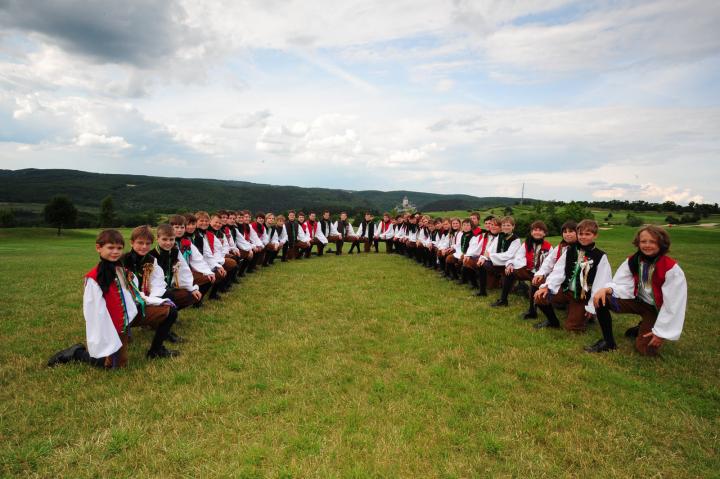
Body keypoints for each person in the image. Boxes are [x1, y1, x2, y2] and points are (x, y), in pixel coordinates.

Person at [47, 229, 179, 368]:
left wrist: (158, 301)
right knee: (114, 365)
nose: (115, 252)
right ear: (98, 248)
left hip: (129, 316)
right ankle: (77, 353)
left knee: (169, 310)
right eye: (110, 248)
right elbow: (93, 311)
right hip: (112, 325)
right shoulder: (94, 278)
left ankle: (156, 350)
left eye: (119, 248)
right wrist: (107, 334)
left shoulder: (121, 270)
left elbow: (134, 295)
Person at [591, 225, 687, 355]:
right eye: (643, 241)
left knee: (646, 351)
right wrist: (607, 289)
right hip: (637, 301)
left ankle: (643, 326)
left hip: (655, 309)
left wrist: (661, 333)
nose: (647, 245)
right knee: (602, 299)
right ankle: (608, 342)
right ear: (638, 243)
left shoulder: (671, 269)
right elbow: (621, 283)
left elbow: (673, 305)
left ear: (661, 243)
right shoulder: (633, 261)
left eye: (652, 241)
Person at [533, 219, 612, 338]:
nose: (583, 237)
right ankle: (553, 321)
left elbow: (601, 282)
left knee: (572, 328)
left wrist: (591, 307)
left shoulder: (600, 256)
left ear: (595, 235)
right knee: (540, 296)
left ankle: (586, 315)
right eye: (580, 234)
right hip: (566, 290)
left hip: (582, 296)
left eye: (587, 234)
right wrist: (547, 287)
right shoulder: (570, 250)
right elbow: (558, 271)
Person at [503, 221, 552, 317]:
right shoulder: (526, 244)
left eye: (540, 230)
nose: (537, 232)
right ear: (531, 232)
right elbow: (518, 257)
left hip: (541, 274)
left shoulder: (549, 247)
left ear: (544, 233)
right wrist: (511, 265)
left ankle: (532, 311)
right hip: (528, 270)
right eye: (534, 230)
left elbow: (550, 264)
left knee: (535, 282)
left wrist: (540, 274)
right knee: (510, 272)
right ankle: (503, 299)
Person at [152, 223, 202, 310]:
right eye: (164, 239)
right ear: (157, 238)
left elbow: (184, 270)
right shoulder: (152, 255)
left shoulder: (175, 252)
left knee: (192, 295)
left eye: (171, 239)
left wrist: (192, 288)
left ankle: (173, 310)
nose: (168, 243)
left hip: (170, 286)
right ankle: (164, 314)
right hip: (155, 290)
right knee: (169, 295)